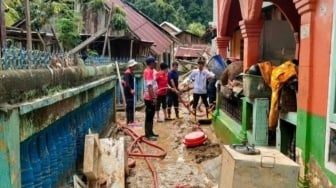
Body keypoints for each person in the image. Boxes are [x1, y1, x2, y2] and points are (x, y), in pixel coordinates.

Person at [143, 56, 159, 141]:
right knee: (149, 116)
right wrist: (153, 98)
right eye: (154, 62)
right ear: (151, 63)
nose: (155, 63)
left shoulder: (149, 70)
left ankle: (151, 132)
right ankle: (148, 134)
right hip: (149, 98)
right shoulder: (148, 71)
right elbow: (150, 87)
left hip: (149, 97)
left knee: (151, 115)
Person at [122, 59, 138, 126]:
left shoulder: (131, 72)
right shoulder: (127, 73)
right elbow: (127, 83)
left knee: (131, 106)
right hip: (129, 93)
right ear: (131, 66)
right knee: (130, 107)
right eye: (134, 65)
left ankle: (131, 121)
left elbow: (124, 82)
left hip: (131, 92)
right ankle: (129, 122)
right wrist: (131, 90)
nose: (135, 66)